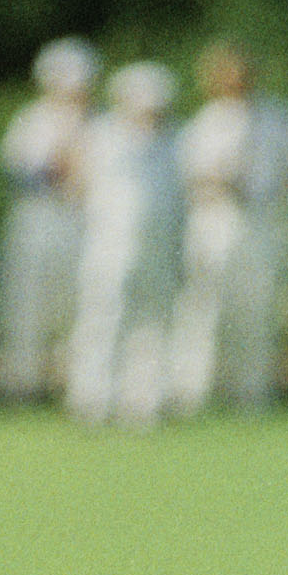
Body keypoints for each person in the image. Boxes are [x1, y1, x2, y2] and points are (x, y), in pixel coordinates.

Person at [171, 44, 288, 414]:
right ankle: (192, 392)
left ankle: (252, 394)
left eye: (241, 73)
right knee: (204, 308)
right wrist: (215, 183)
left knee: (258, 309)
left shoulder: (280, 117)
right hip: (215, 222)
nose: (235, 81)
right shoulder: (203, 123)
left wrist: (287, 190)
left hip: (263, 221)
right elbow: (185, 177)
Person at [65, 59, 184, 429]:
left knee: (154, 322)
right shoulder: (101, 133)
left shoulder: (175, 139)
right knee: (102, 319)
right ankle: (92, 399)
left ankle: (144, 403)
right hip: (108, 243)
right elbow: (76, 182)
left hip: (160, 245)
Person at [0, 39, 100, 406]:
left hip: (87, 223)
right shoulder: (31, 120)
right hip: (39, 220)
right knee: (27, 305)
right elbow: (24, 173)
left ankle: (77, 389)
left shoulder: (104, 122)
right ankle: (21, 388)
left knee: (83, 307)